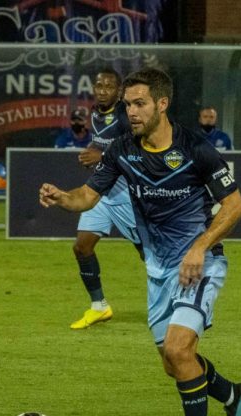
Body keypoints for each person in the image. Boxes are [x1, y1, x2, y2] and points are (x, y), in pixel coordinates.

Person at [40, 68, 241, 416]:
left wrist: (200, 247)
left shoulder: (196, 148)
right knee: (174, 363)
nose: (132, 112)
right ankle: (232, 394)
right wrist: (62, 198)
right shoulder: (122, 149)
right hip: (158, 270)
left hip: (199, 265)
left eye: (139, 104)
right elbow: (88, 196)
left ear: (162, 104)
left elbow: (236, 206)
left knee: (179, 348)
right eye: (128, 105)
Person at [67, 67, 142, 330]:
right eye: (98, 86)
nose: (102, 91)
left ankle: (177, 300)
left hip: (125, 192)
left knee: (150, 255)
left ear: (119, 91)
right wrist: (95, 154)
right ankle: (99, 305)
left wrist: (101, 157)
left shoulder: (126, 115)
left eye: (109, 87)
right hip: (101, 191)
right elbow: (107, 144)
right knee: (82, 247)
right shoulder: (96, 112)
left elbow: (139, 151)